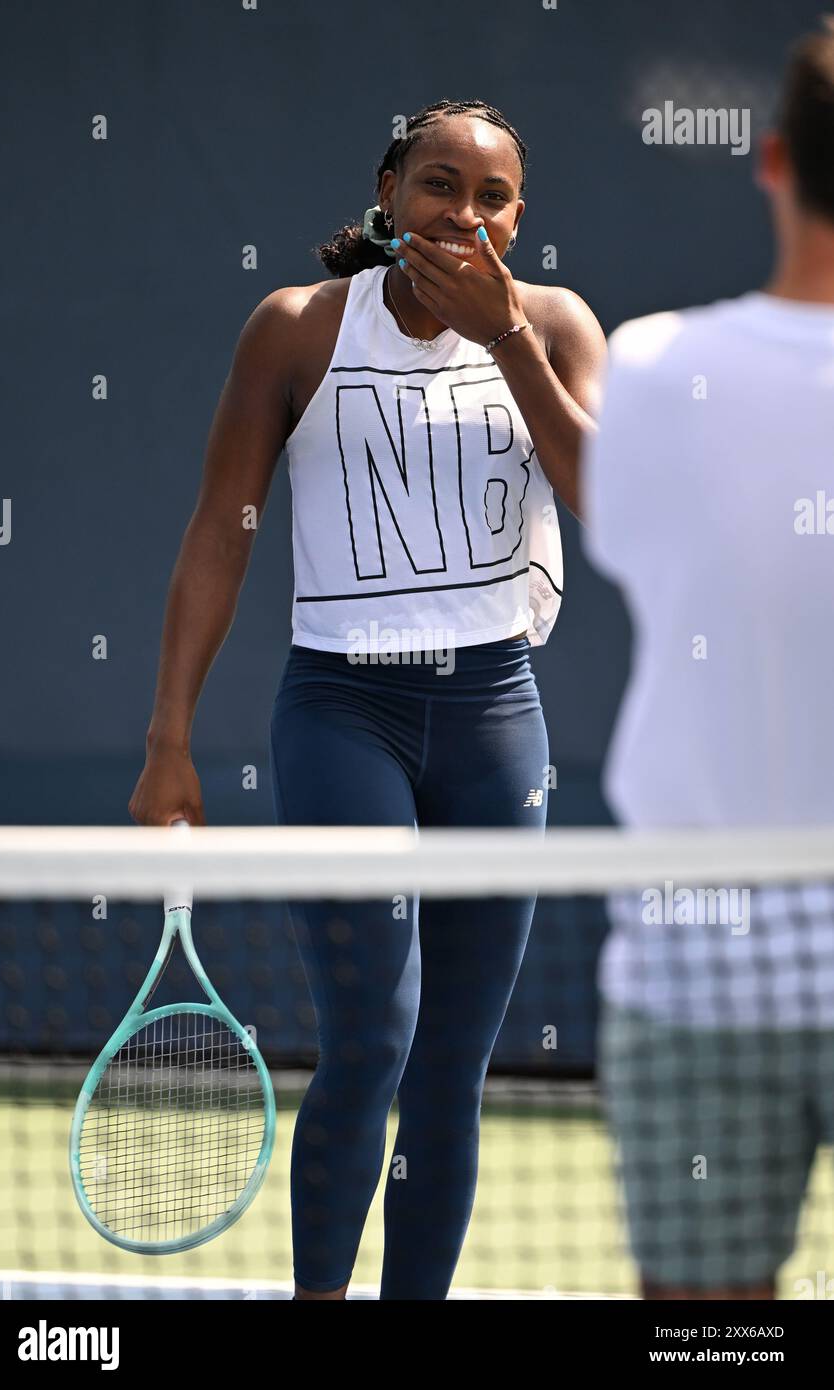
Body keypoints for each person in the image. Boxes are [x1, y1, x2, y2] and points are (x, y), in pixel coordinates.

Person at [130, 98, 605, 1299]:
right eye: (439, 184)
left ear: (517, 218)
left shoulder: (553, 324)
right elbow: (219, 533)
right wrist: (169, 735)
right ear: (388, 190)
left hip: (496, 717)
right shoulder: (294, 330)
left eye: (491, 195)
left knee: (450, 1068)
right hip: (343, 710)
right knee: (372, 1040)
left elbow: (608, 501)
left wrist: (506, 343)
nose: (465, 213)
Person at [583, 25, 834, 1300]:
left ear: (773, 159)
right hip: (702, 965)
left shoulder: (650, 367)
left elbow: (624, 536)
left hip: (699, 968)